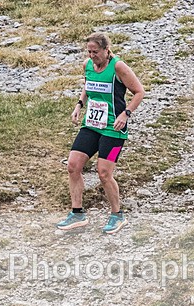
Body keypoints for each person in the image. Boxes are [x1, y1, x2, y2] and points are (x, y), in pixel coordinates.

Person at [57, 32, 146, 234]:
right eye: (89, 52)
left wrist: (126, 114)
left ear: (106, 50)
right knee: (73, 166)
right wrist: (79, 105)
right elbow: (88, 85)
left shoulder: (118, 67)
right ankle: (77, 213)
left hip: (114, 130)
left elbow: (139, 92)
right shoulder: (87, 65)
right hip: (92, 125)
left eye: (95, 52)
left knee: (104, 173)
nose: (92, 56)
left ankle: (117, 215)